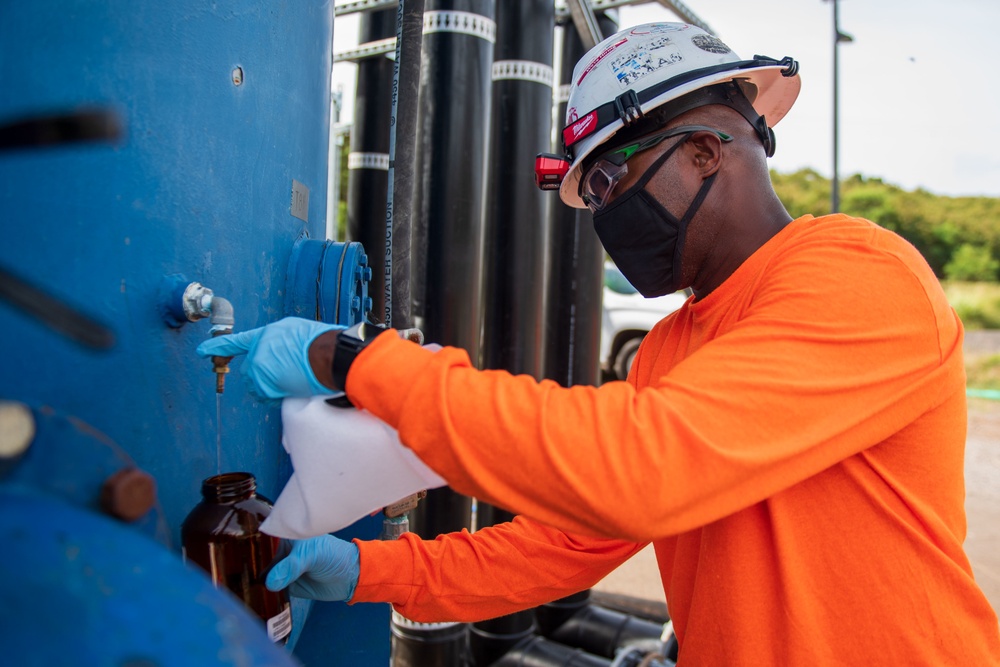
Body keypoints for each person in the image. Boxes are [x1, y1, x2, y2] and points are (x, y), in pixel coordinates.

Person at [198, 22, 1000, 665]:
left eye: (613, 180)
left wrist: (352, 361)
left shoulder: (860, 275)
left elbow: (640, 468)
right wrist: (373, 573)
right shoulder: (670, 350)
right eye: (594, 196)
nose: (606, 215)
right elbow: (566, 542)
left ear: (702, 151)